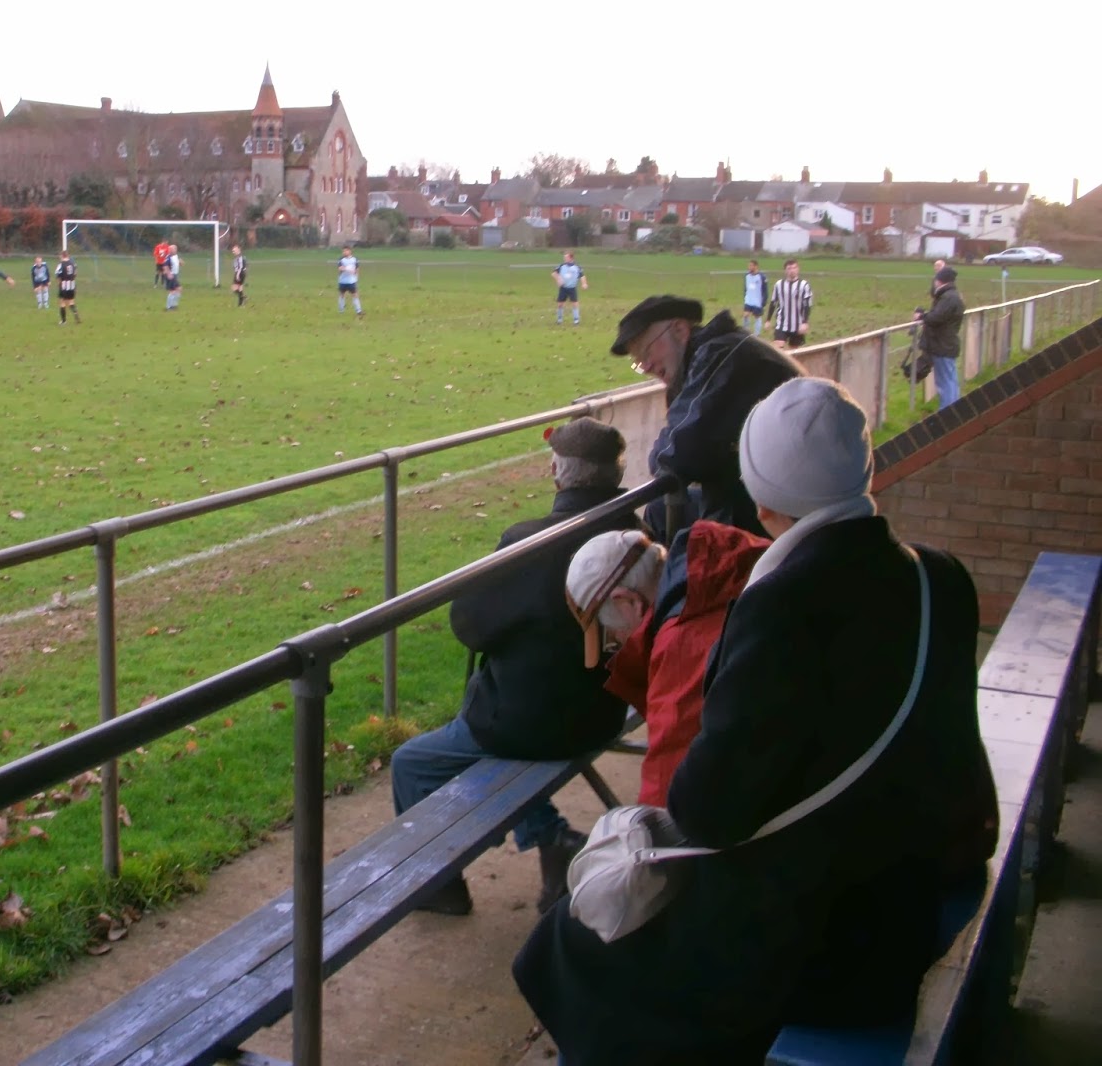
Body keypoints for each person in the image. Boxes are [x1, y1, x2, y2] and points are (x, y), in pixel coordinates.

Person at [515, 377, 998, 1066]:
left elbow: (708, 810)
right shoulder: (940, 577)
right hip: (907, 902)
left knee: (571, 940)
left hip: (832, 949)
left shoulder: (780, 605)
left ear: (764, 498)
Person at [392, 419, 640, 917]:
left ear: (557, 473)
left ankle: (439, 885)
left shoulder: (530, 541)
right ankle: (550, 838)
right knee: (504, 749)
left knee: (412, 763)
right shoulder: (638, 533)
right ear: (616, 472)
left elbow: (470, 626)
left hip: (532, 723)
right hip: (606, 711)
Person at [566, 521, 768, 807]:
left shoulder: (680, 658)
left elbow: (664, 800)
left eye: (611, 635)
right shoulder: (729, 556)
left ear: (626, 601)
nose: (619, 643)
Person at [611, 295, 802, 539]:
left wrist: (662, 456)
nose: (646, 367)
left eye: (646, 352)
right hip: (768, 493)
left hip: (780, 508)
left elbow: (676, 454)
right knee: (659, 510)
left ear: (679, 330)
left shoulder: (719, 356)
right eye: (638, 363)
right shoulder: (714, 353)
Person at [915, 265, 965, 407]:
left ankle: (947, 413)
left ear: (939, 280)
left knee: (945, 382)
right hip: (948, 344)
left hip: (942, 345)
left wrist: (922, 316)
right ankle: (954, 410)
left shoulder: (948, 298)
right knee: (950, 380)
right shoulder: (953, 296)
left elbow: (936, 318)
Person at [766, 258, 813, 348]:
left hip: (798, 325)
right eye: (789, 268)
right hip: (782, 323)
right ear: (785, 271)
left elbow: (807, 305)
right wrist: (768, 320)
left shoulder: (804, 285)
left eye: (794, 268)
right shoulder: (779, 284)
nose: (792, 271)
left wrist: (805, 322)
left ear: (798, 269)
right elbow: (773, 303)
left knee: (794, 351)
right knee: (778, 348)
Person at [553, 251, 585, 326]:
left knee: (575, 304)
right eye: (564, 257)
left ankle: (576, 320)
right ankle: (559, 320)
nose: (564, 259)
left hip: (572, 288)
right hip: (563, 288)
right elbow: (554, 273)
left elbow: (582, 276)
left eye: (566, 257)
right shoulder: (561, 266)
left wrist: (584, 283)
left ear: (571, 258)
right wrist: (558, 279)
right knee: (560, 304)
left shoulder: (577, 267)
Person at [741, 259, 766, 335]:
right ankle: (745, 332)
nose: (749, 267)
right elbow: (746, 288)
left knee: (757, 317)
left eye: (751, 265)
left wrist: (764, 301)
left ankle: (756, 334)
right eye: (749, 265)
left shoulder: (761, 277)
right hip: (748, 300)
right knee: (745, 315)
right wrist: (745, 296)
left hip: (757, 301)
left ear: (756, 266)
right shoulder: (747, 276)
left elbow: (765, 290)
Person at [55, 251, 80, 324]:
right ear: (68, 256)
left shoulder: (61, 264)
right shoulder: (73, 263)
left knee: (62, 303)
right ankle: (76, 314)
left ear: (62, 256)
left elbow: (58, 275)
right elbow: (75, 272)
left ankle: (63, 321)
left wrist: (59, 284)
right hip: (72, 285)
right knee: (71, 302)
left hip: (64, 285)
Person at [337, 247, 363, 316]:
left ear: (350, 251)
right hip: (342, 281)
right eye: (343, 251)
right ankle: (341, 310)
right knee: (342, 295)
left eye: (345, 251)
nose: (344, 252)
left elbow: (357, 269)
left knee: (355, 295)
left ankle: (359, 311)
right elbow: (340, 268)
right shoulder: (341, 259)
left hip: (351, 281)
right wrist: (347, 269)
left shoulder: (354, 259)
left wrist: (356, 277)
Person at [164, 242, 183, 311]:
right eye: (172, 249)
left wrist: (181, 262)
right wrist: (169, 274)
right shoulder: (168, 257)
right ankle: (168, 307)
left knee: (179, 289)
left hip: (175, 275)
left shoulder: (176, 256)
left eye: (174, 249)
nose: (174, 250)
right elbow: (165, 266)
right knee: (173, 291)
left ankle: (174, 305)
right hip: (171, 275)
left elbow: (180, 264)